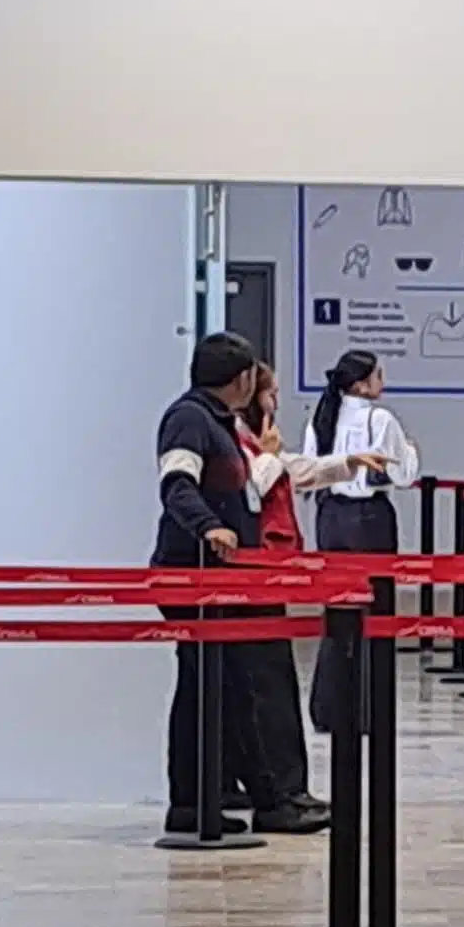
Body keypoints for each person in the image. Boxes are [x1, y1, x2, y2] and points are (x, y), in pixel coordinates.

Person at [155, 334, 268, 836]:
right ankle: (189, 801)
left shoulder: (218, 422)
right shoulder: (190, 420)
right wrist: (208, 527)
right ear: (241, 378)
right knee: (201, 687)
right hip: (193, 574)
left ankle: (214, 788)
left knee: (217, 686)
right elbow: (176, 484)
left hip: (220, 577)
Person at [223, 367, 327, 833]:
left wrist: (346, 464)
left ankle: (273, 783)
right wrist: (267, 456)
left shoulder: (250, 440)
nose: (278, 403)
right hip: (255, 574)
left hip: (271, 574)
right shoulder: (238, 443)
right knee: (267, 683)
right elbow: (250, 490)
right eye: (273, 394)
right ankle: (279, 789)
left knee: (267, 680)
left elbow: (293, 468)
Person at [300, 349, 414, 739]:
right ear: (362, 383)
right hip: (369, 519)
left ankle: (328, 706)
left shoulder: (321, 419)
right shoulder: (380, 419)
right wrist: (410, 451)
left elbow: (310, 469)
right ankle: (368, 707)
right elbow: (403, 472)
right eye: (378, 375)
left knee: (337, 613)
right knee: (376, 611)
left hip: (330, 515)